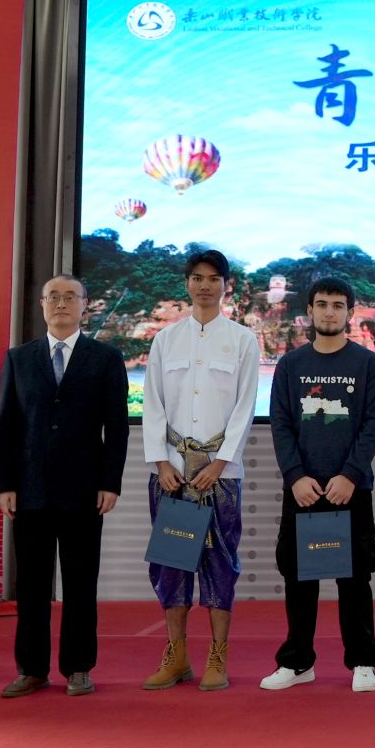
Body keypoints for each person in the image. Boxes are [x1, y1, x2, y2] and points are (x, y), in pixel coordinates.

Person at [0, 274, 129, 698]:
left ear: (85, 305)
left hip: (84, 489)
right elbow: (6, 426)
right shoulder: (19, 358)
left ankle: (78, 667)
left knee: (80, 583)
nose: (62, 303)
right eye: (54, 297)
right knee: (31, 586)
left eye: (71, 297)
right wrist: (5, 484)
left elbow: (117, 427)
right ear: (42, 304)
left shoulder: (105, 358)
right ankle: (31, 669)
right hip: (29, 489)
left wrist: (110, 482)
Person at [260, 277, 375, 693]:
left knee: (355, 578)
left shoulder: (368, 364)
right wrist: (295, 477)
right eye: (322, 304)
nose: (329, 311)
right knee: (298, 577)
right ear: (310, 311)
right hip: (303, 491)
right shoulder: (290, 365)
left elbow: (372, 425)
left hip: (351, 489)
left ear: (349, 312)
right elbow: (281, 424)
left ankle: (364, 661)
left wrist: (349, 475)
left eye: (337, 305)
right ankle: (297, 662)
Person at [139, 248, 258, 693]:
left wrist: (220, 463)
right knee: (171, 563)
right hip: (171, 473)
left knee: (220, 563)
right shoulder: (165, 340)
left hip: (220, 476)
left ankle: (217, 656)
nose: (205, 286)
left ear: (226, 285)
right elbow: (152, 404)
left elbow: (245, 407)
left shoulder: (242, 340)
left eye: (213, 279)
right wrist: (160, 462)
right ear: (187, 283)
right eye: (197, 278)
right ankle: (176, 656)